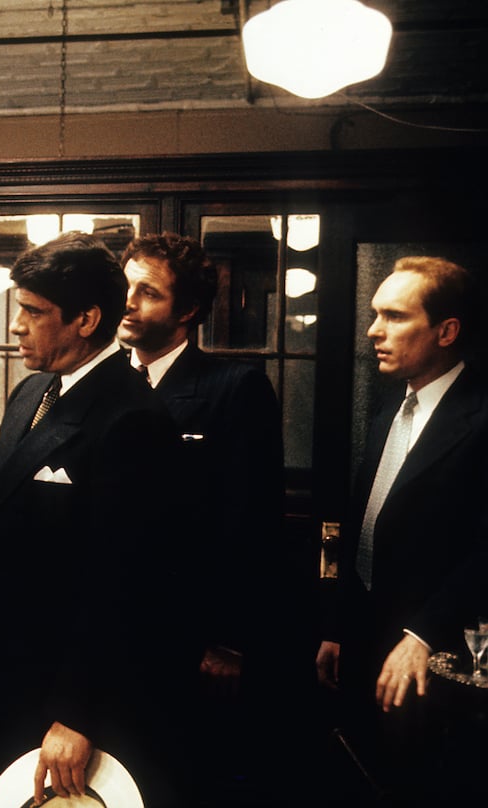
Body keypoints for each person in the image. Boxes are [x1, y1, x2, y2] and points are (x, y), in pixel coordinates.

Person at [0, 231, 199, 808]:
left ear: (86, 319)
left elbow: (122, 585)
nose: (16, 325)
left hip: (67, 698)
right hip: (6, 672)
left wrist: (76, 715)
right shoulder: (32, 393)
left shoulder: (132, 419)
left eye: (32, 311)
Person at [117, 232, 314, 803]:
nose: (128, 302)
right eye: (124, 286)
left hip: (194, 638)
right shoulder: (104, 386)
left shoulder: (234, 387)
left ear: (189, 312)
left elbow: (249, 523)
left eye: (147, 292)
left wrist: (229, 639)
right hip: (118, 636)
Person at [316, 256, 488, 804]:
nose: (373, 330)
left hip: (438, 656)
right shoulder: (392, 407)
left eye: (393, 316)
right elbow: (369, 523)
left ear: (446, 331)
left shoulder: (482, 416)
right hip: (369, 638)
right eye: (374, 314)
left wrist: (422, 635)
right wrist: (339, 626)